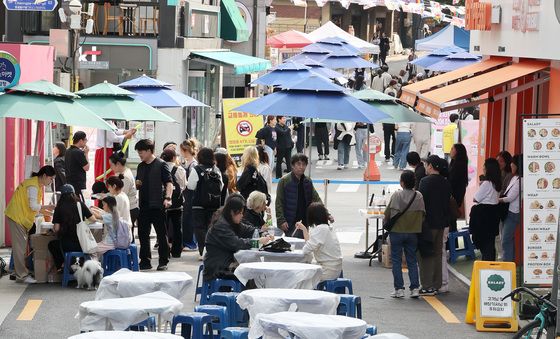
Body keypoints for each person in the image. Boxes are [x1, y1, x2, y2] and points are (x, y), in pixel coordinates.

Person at [203, 194, 273, 282]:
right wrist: (257, 242)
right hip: (218, 266)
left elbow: (247, 229)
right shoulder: (221, 225)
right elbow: (236, 243)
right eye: (240, 213)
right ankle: (247, 294)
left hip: (226, 261)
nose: (242, 215)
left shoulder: (230, 219)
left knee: (254, 271)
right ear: (232, 212)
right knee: (251, 273)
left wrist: (261, 233)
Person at [5, 166, 56, 283]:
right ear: (44, 176)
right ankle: (21, 275)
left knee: (21, 248)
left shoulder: (35, 184)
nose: (51, 181)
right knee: (20, 248)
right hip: (17, 217)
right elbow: (33, 206)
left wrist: (50, 211)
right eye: (50, 178)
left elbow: (35, 208)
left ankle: (21, 272)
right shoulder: (33, 186)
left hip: (19, 217)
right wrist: (48, 207)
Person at [384, 170, 425, 298]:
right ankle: (414, 289)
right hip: (413, 232)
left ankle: (399, 289)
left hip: (397, 231)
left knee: (396, 260)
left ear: (402, 183)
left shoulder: (396, 195)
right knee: (412, 260)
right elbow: (423, 215)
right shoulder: (418, 196)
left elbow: (387, 213)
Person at [134, 139, 174, 271]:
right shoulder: (141, 166)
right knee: (143, 234)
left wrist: (168, 198)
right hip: (143, 205)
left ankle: (163, 261)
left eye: (141, 152)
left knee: (161, 234)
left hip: (158, 204)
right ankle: (145, 261)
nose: (140, 154)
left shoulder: (161, 164)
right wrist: (137, 184)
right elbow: (138, 182)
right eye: (138, 152)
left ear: (149, 151)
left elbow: (169, 183)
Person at [417, 155, 451, 296]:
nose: (425, 167)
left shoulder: (425, 182)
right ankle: (437, 284)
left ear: (430, 166)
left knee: (425, 254)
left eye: (426, 165)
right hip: (441, 223)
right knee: (438, 253)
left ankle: (427, 285)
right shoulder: (445, 182)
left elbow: (421, 202)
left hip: (428, 223)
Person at [186, 147, 224, 258]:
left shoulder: (197, 169)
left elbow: (191, 186)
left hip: (199, 204)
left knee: (199, 228)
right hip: (214, 204)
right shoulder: (216, 169)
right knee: (211, 227)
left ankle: (203, 251)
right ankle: (211, 250)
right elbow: (220, 186)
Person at [48, 184, 96, 270]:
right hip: (82, 244)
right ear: (74, 194)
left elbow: (56, 228)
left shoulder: (59, 207)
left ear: (62, 195)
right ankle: (73, 265)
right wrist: (83, 222)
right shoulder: (80, 205)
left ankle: (62, 266)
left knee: (52, 245)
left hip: (66, 245)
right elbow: (93, 219)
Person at [276, 154, 323, 238]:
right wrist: (281, 220)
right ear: (292, 165)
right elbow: (279, 202)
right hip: (289, 222)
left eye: (304, 164)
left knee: (303, 245)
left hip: (304, 221)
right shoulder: (284, 181)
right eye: (298, 164)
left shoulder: (308, 181)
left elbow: (316, 198)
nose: (301, 167)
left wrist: (326, 214)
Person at [295, 203, 342, 281]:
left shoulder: (320, 229)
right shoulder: (327, 228)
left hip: (327, 270)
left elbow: (306, 250)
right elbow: (310, 245)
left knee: (299, 277)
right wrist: (304, 229)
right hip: (334, 269)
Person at [470, 158, 502, 261]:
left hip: (483, 216)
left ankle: (487, 267)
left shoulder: (487, 183)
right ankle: (491, 264)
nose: (483, 168)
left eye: (484, 166)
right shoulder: (497, 183)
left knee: (484, 244)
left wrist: (481, 186)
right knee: (490, 243)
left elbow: (475, 198)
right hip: (494, 214)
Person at [161, 148, 187, 258]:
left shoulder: (160, 168)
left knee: (163, 228)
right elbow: (183, 185)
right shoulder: (180, 169)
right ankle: (176, 251)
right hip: (177, 203)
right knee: (177, 227)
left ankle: (165, 250)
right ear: (174, 158)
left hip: (163, 202)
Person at [109, 154, 138, 242]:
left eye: (111, 165)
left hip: (130, 208)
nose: (111, 168)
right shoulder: (124, 172)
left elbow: (119, 193)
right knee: (127, 233)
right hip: (131, 206)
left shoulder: (124, 177)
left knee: (126, 234)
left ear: (117, 164)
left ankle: (129, 254)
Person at [500, 154, 522, 262]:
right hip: (508, 212)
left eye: (513, 164)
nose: (511, 166)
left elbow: (510, 197)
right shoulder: (515, 177)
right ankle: (510, 263)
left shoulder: (520, 180)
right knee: (508, 239)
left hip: (513, 213)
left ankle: (507, 264)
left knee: (505, 240)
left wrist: (498, 199)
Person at [180, 139, 199, 250]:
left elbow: (192, 183)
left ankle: (191, 243)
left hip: (190, 194)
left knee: (189, 218)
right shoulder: (188, 163)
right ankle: (188, 242)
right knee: (186, 218)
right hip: (187, 194)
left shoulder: (193, 164)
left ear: (185, 150)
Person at [65, 131, 90, 198]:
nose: (86, 141)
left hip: (69, 181)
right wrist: (86, 154)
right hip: (77, 183)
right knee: (77, 203)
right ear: (81, 140)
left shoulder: (67, 151)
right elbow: (87, 167)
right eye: (85, 139)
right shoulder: (78, 152)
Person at [449, 144, 469, 213]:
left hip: (455, 194)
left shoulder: (458, 165)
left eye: (452, 149)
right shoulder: (454, 163)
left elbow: (452, 181)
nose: (450, 151)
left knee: (452, 215)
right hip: (456, 194)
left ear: (458, 152)